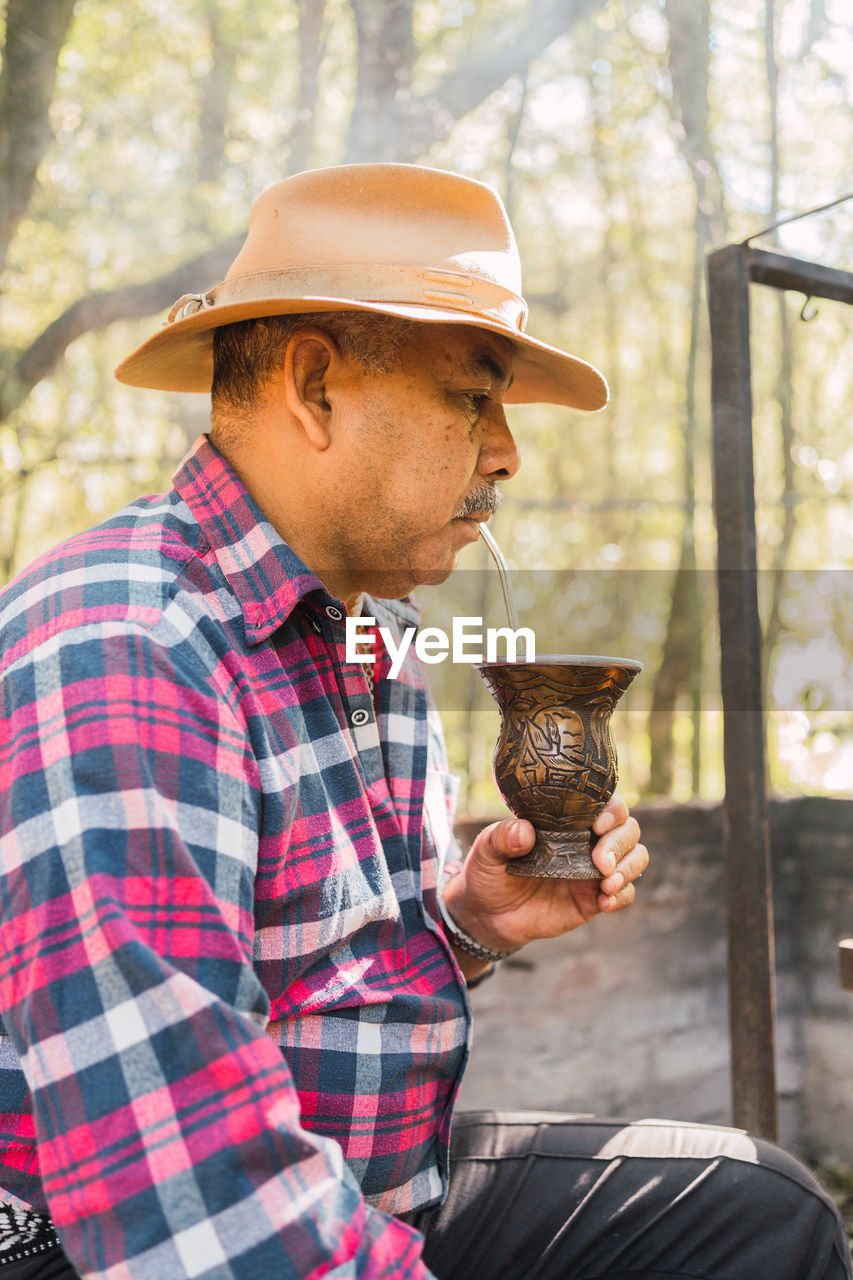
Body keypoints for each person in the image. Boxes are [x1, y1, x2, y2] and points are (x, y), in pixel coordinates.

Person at [0, 163, 848, 1280]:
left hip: (362, 1178)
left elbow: (313, 975)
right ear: (315, 387)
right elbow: (191, 1200)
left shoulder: (373, 631)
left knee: (760, 1211)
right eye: (472, 396)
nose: (505, 452)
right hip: (116, 1235)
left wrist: (470, 920)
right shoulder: (126, 644)